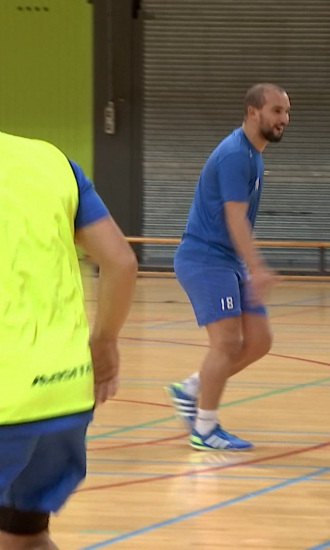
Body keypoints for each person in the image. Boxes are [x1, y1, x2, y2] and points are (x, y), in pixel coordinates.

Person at [0, 131, 137, 550]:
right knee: (25, 537)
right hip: (65, 395)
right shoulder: (51, 161)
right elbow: (120, 261)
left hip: (7, 399)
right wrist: (105, 341)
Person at [166, 83, 289, 451]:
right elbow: (234, 217)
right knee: (226, 342)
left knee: (260, 340)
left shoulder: (254, 154)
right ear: (253, 112)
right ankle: (204, 429)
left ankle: (190, 388)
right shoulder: (236, 154)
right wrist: (258, 267)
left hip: (227, 261)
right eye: (276, 111)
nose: (284, 119)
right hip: (206, 259)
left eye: (286, 112)